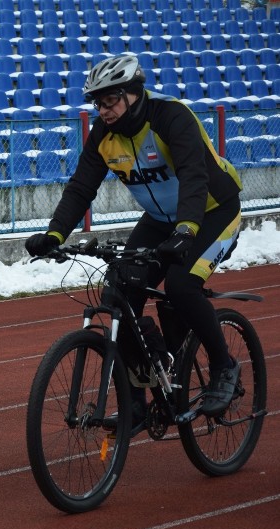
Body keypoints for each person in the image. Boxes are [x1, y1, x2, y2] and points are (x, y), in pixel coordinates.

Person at [24, 55, 243, 429]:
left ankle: (224, 367)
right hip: (161, 220)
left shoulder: (171, 117)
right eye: (98, 102)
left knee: (181, 285)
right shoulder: (104, 135)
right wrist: (54, 234)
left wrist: (187, 229)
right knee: (117, 295)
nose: (103, 110)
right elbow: (81, 188)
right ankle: (138, 401)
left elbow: (193, 175)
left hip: (212, 211)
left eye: (110, 100)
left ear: (133, 94)